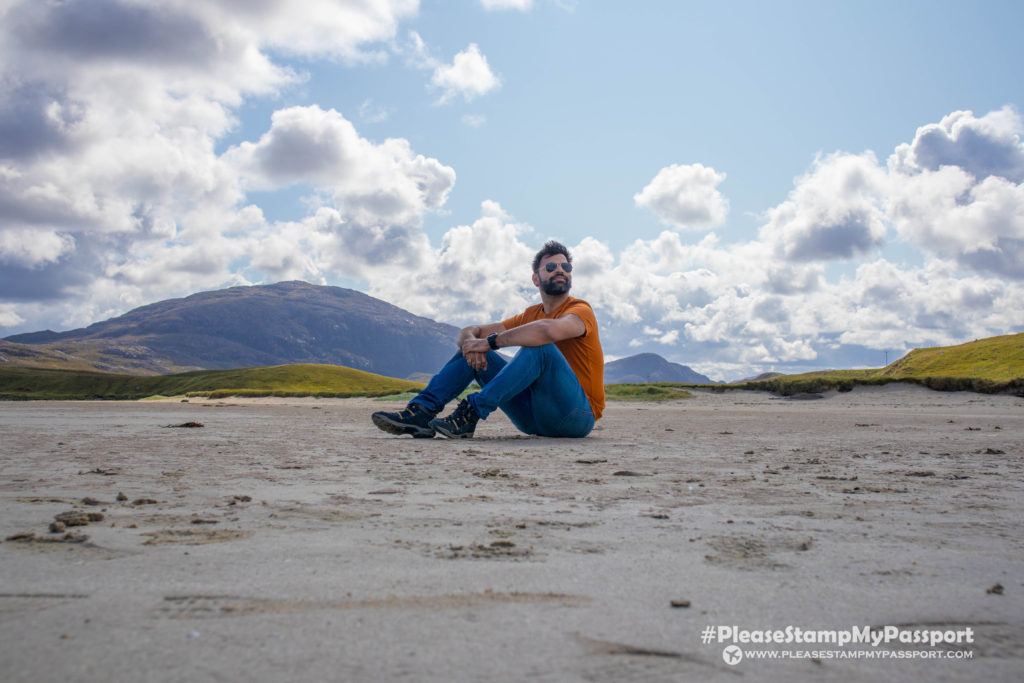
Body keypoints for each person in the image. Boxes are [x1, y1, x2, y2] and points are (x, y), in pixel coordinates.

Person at [372, 240, 604, 439]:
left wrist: (489, 342)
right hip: (531, 418)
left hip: (576, 416)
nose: (560, 270)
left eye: (566, 266)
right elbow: (471, 331)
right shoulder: (530, 314)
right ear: (536, 279)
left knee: (541, 348)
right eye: (551, 266)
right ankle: (421, 412)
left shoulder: (580, 310)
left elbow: (547, 331)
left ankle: (470, 414)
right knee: (475, 346)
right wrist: (472, 344)